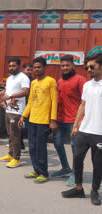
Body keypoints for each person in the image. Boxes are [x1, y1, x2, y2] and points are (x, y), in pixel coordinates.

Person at [62, 53, 102, 206]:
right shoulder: (87, 84)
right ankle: (78, 189)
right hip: (84, 130)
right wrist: (76, 125)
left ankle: (94, 190)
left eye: (92, 67)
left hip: (99, 133)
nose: (89, 69)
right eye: (87, 67)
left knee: (98, 164)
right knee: (77, 159)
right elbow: (83, 105)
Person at [18, 57, 58, 183]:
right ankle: (36, 170)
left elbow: (54, 101)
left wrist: (52, 120)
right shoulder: (33, 83)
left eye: (38, 67)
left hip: (43, 121)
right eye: (34, 67)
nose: (36, 69)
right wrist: (23, 116)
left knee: (41, 148)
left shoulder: (51, 81)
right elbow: (30, 102)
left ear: (44, 68)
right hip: (32, 119)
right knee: (32, 147)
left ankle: (44, 173)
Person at [0, 58, 30, 167]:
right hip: (8, 110)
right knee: (10, 134)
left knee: (15, 135)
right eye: (9, 66)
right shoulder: (10, 78)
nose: (11, 68)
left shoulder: (23, 77)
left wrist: (10, 96)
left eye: (13, 66)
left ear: (19, 66)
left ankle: (16, 158)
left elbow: (25, 92)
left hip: (17, 111)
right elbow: (6, 91)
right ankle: (10, 154)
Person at [51, 55, 86, 187]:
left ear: (73, 66)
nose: (65, 68)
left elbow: (85, 102)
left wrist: (80, 122)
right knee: (58, 143)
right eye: (63, 66)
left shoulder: (80, 80)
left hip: (74, 120)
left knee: (75, 148)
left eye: (67, 65)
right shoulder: (59, 81)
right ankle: (65, 168)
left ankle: (75, 174)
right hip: (60, 119)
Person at [20, 63, 34, 153]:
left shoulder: (33, 81)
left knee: (30, 128)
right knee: (19, 127)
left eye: (30, 70)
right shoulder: (19, 80)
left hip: (30, 108)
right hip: (20, 107)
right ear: (23, 70)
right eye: (27, 70)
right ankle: (20, 146)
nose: (29, 72)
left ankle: (32, 147)